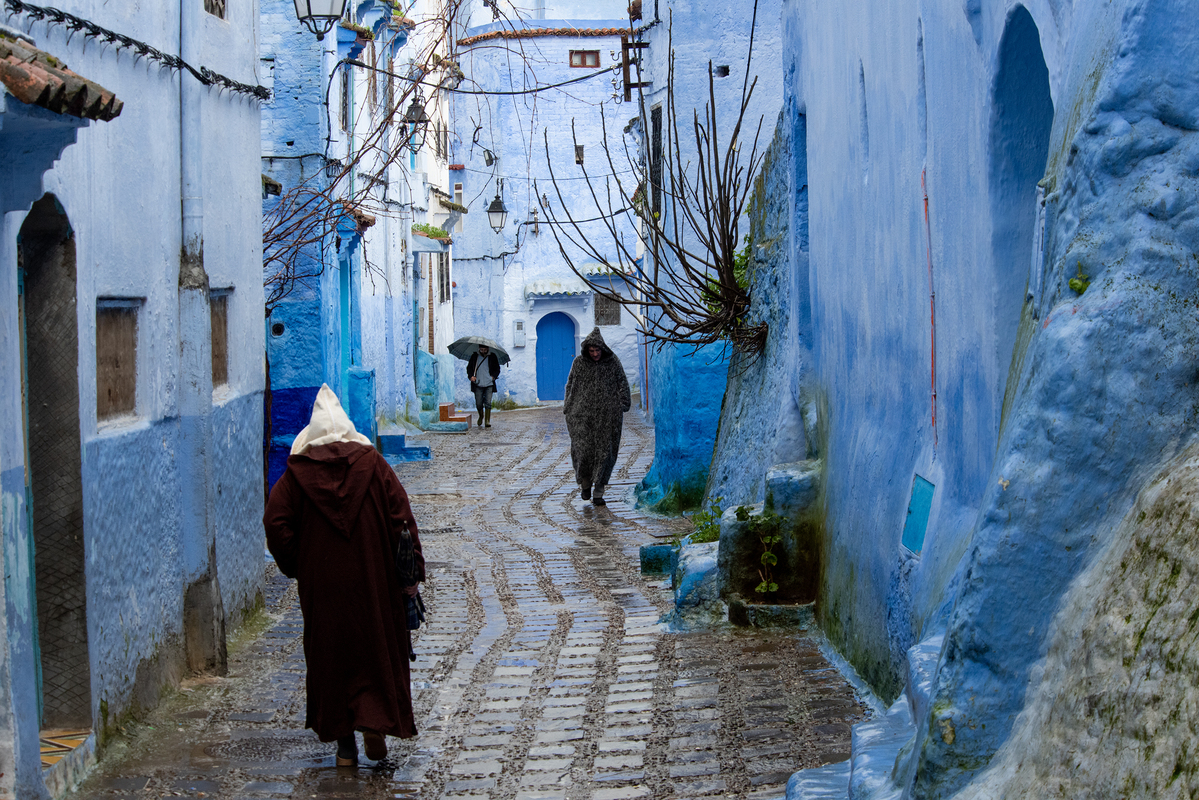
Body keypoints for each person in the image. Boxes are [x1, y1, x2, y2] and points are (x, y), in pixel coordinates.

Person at [263, 385, 424, 767]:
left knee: (331, 656)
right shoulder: (374, 465)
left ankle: (345, 748)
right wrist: (410, 573)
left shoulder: (296, 476)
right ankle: (375, 726)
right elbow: (401, 518)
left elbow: (275, 522)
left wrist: (299, 563)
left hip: (325, 587)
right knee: (376, 649)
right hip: (375, 581)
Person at [564, 328, 631, 506]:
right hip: (582, 416)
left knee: (605, 453)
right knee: (583, 451)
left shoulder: (613, 362)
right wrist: (568, 406)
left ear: (603, 349)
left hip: (607, 416)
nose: (595, 354)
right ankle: (585, 485)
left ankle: (599, 492)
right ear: (587, 350)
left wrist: (623, 403)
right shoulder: (579, 363)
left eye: (597, 350)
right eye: (591, 351)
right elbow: (570, 385)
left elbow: (622, 381)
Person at [467, 344, 501, 428]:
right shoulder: (475, 356)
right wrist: (471, 376)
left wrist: (493, 376)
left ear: (488, 349)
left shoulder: (492, 356)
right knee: (479, 403)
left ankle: (487, 421)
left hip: (489, 383)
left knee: (488, 403)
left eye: (485, 349)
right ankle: (481, 416)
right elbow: (469, 368)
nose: (483, 351)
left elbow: (497, 368)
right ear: (479, 349)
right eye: (481, 349)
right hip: (478, 383)